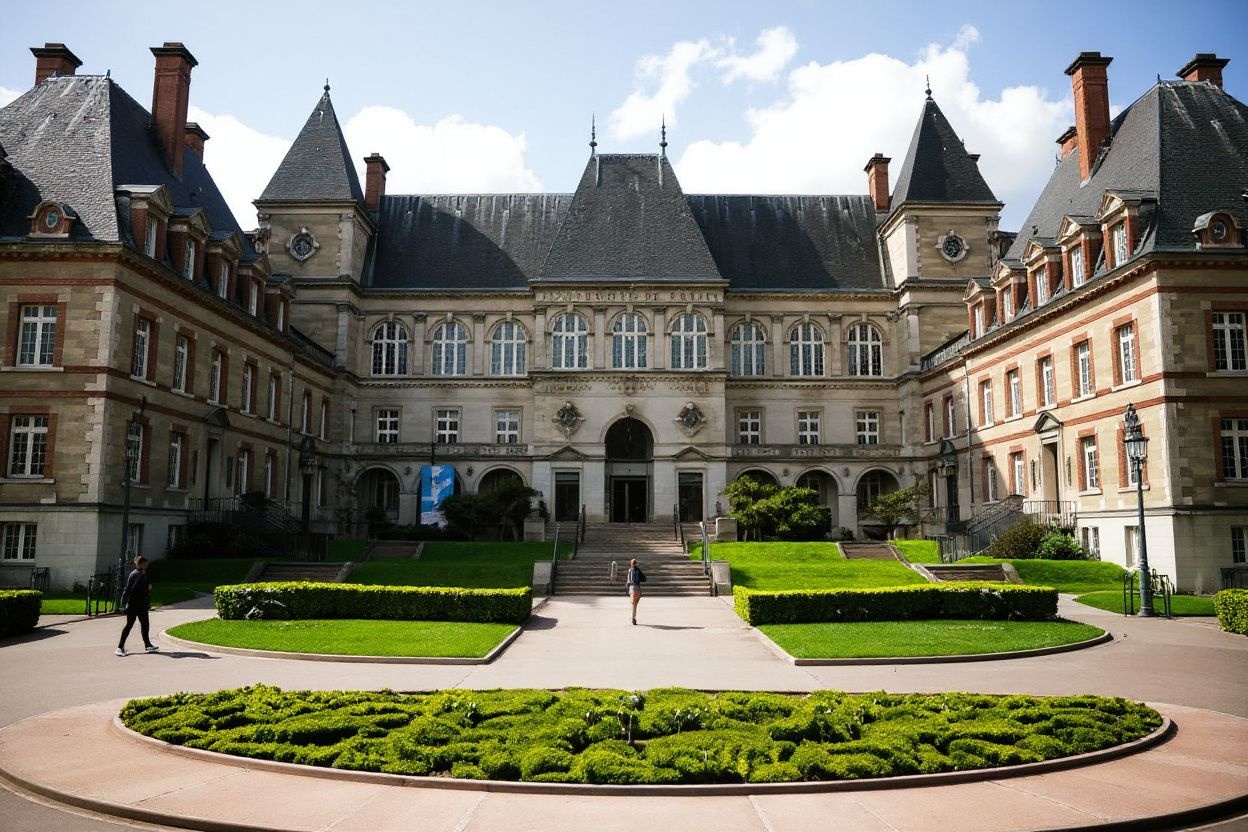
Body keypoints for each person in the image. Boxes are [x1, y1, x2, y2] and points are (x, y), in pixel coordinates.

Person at [116, 555, 159, 656]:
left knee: (144, 624)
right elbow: (136, 589)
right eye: (145, 564)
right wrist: (147, 588)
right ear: (139, 564)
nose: (146, 566)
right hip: (137, 605)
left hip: (137, 604)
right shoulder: (138, 575)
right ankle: (119, 647)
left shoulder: (137, 573)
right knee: (131, 625)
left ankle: (147, 644)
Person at [625, 558, 645, 625]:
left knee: (633, 604)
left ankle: (633, 617)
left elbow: (628, 581)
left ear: (631, 564)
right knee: (635, 604)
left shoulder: (630, 570)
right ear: (636, 563)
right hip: (638, 588)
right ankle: (633, 617)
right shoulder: (638, 570)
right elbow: (644, 578)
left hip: (631, 588)